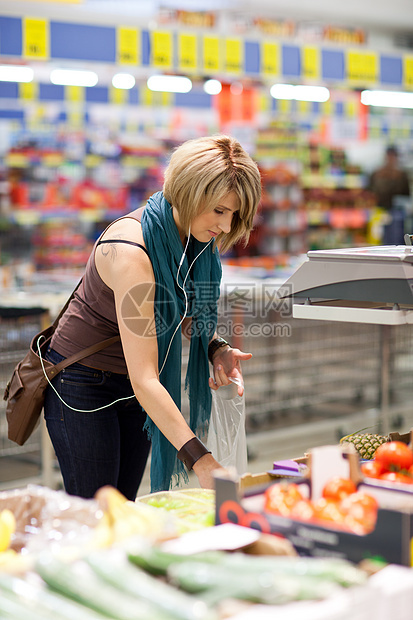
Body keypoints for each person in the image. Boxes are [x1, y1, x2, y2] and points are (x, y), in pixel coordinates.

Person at [43, 135, 262, 500]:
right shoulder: (132, 252)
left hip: (136, 386)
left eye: (234, 215)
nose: (225, 227)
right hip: (82, 384)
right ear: (190, 192)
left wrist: (215, 347)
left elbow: (182, 313)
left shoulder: (191, 238)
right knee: (97, 512)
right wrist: (201, 461)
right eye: (219, 211)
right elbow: (145, 378)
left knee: (123, 507)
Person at [369, 145, 410, 211]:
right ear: (385, 157)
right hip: (379, 209)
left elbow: (406, 195)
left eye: (393, 156)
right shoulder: (376, 174)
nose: (391, 158)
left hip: (397, 210)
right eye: (389, 155)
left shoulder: (402, 175)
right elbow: (370, 193)